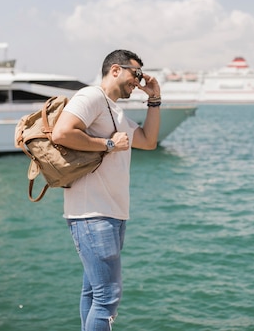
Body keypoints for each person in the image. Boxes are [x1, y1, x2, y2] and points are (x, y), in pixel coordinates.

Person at [51, 49, 161, 331]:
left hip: (110, 214)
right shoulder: (91, 96)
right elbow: (62, 133)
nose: (137, 82)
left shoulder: (115, 110)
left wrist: (154, 99)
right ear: (115, 70)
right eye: (135, 74)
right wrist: (109, 144)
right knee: (107, 297)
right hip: (92, 214)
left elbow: (148, 141)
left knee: (93, 294)